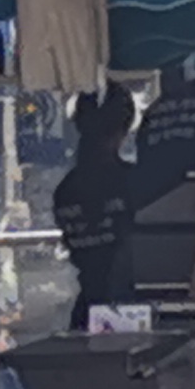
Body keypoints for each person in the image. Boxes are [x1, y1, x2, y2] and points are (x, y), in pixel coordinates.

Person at [55, 85, 137, 330]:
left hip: (85, 313)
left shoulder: (66, 190)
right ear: (123, 131)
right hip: (129, 311)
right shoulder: (132, 182)